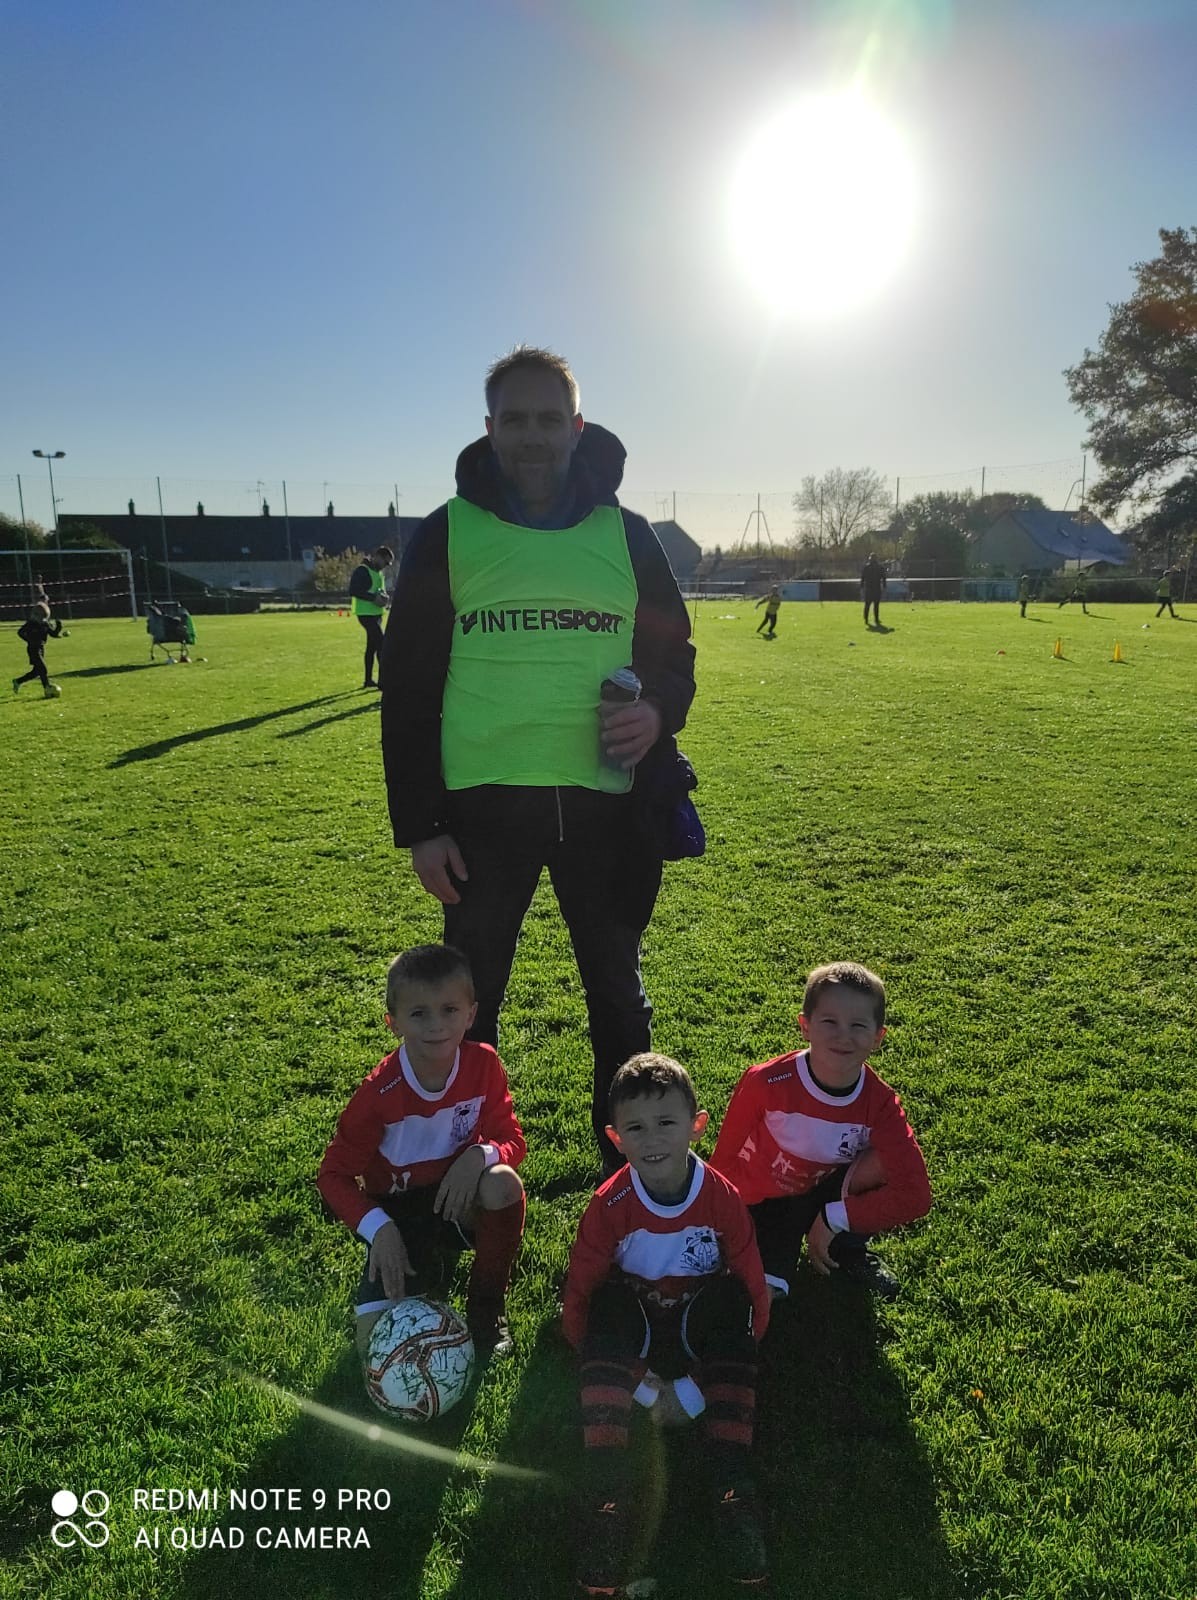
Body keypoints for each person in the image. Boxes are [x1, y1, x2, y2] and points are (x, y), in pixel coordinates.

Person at [379, 345, 696, 1175]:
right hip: (481, 814)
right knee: (468, 1005)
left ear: (576, 427)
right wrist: (420, 825)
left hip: (608, 809)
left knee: (618, 998)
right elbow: (407, 688)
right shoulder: (448, 532)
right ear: (488, 429)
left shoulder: (627, 534)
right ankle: (458, 1171)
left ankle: (635, 1180)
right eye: (514, 419)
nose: (531, 435)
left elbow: (676, 657)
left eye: (548, 419)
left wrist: (656, 711)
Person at [562, 1054, 770, 1597]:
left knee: (731, 1299)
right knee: (606, 1304)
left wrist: (700, 1389)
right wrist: (640, 1388)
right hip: (638, 1336)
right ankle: (608, 1503)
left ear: (697, 1125)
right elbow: (580, 1294)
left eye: (666, 1123)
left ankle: (732, 1491)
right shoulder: (610, 1204)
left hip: (697, 1332)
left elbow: (752, 1287)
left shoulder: (721, 1197)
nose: (652, 1139)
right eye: (635, 1128)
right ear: (615, 1138)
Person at [317, 943, 527, 1359]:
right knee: (373, 1347)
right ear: (393, 1023)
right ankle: (415, 1256)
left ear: (470, 1015)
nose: (436, 1025)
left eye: (449, 1010)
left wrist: (480, 1155)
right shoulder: (379, 1094)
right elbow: (332, 1176)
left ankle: (486, 1303)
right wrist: (379, 1228)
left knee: (503, 1184)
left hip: (456, 1198)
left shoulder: (484, 1065)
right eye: (419, 1014)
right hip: (398, 1216)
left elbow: (513, 1140)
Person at [710, 962, 931, 1303]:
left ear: (878, 1037)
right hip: (767, 1200)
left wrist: (834, 1217)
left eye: (858, 1025)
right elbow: (723, 1162)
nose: (843, 1035)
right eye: (830, 1021)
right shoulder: (765, 1082)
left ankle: (846, 1248)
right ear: (805, 1026)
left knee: (887, 1162)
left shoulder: (880, 1103)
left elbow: (915, 1195)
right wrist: (718, 1221)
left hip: (827, 1190)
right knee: (757, 1294)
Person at [349, 546, 394, 688]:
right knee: (382, 645)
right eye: (385, 562)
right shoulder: (362, 570)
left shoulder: (378, 573)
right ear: (378, 557)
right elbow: (353, 590)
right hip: (365, 614)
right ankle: (385, 680)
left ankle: (368, 680)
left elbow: (378, 590)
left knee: (372, 647)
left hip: (376, 614)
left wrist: (384, 598)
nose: (385, 566)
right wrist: (373, 598)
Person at [12, 603, 63, 698]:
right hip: (32, 649)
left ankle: (18, 681)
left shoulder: (45, 624)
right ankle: (47, 688)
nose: (42, 619)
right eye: (41, 617)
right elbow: (20, 632)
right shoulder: (30, 624)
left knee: (36, 671)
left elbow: (53, 634)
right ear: (35, 615)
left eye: (44, 617)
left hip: (41, 648)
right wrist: (29, 640)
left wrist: (59, 626)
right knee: (43, 668)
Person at [861, 554, 886, 626]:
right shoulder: (880, 567)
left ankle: (866, 618)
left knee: (867, 604)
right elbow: (884, 577)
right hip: (877, 589)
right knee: (876, 605)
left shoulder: (866, 567)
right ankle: (876, 619)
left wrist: (862, 586)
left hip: (868, 589)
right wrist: (884, 586)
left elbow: (862, 577)